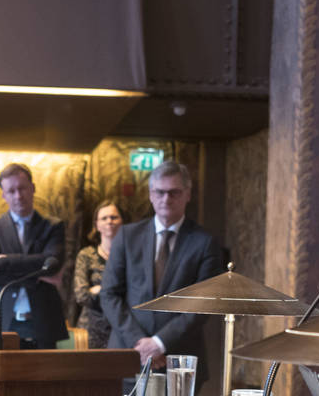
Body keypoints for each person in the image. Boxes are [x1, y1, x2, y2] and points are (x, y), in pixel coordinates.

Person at [102, 161, 225, 376]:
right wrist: (141, 344)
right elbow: (109, 294)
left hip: (179, 362)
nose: (166, 199)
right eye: (160, 192)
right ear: (151, 194)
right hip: (129, 355)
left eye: (174, 193)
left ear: (187, 194)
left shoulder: (205, 243)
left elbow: (202, 304)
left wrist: (160, 343)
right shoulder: (127, 236)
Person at [0, 162, 67, 347]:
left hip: (43, 319)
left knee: (44, 375)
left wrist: (3, 261)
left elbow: (53, 264)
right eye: (11, 191)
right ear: (3, 195)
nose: (18, 196)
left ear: (33, 188)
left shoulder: (53, 226)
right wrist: (39, 275)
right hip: (1, 317)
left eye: (22, 188)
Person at [70, 202, 122, 349]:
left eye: (114, 217)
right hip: (91, 331)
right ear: (97, 225)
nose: (109, 221)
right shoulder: (86, 255)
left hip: (121, 327)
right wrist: (114, 290)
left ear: (122, 222)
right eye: (104, 218)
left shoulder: (129, 256)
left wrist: (99, 288)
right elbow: (81, 295)